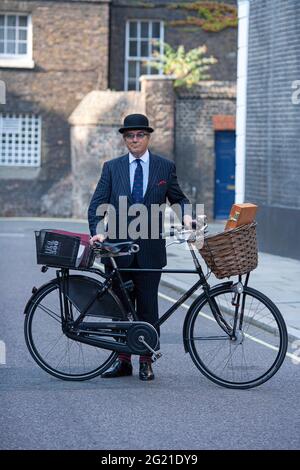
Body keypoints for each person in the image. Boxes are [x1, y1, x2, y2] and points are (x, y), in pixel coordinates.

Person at [88, 113, 193, 381]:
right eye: (130, 136)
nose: (135, 139)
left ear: (148, 137)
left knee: (148, 307)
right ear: (125, 139)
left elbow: (178, 199)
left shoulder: (164, 167)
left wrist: (188, 216)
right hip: (117, 249)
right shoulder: (111, 167)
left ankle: (146, 361)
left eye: (140, 135)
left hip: (150, 249)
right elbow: (97, 205)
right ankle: (123, 361)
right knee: (120, 309)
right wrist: (99, 233)